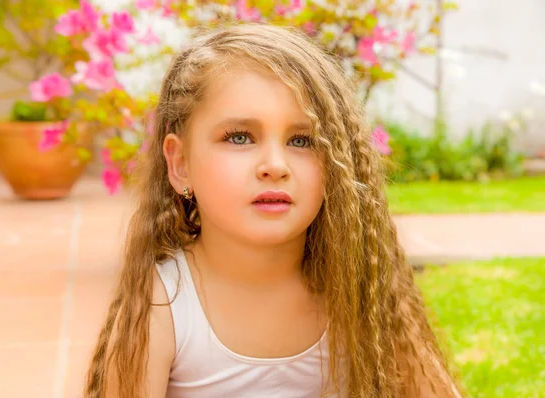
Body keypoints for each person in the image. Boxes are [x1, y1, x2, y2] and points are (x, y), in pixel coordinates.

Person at [84, 23, 462, 398]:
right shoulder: (161, 306)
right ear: (180, 163)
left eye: (302, 140)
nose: (275, 165)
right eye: (239, 137)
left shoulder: (358, 287)